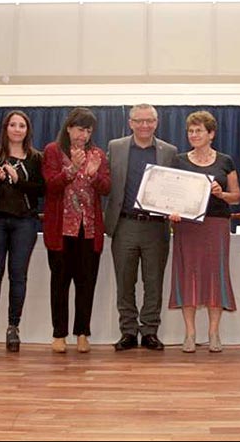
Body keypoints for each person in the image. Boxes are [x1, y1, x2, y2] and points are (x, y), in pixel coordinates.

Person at [104, 104, 177, 351]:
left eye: (149, 121)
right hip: (124, 224)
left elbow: (176, 189)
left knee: (153, 282)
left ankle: (149, 332)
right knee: (124, 282)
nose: (144, 125)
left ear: (156, 123)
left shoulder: (169, 151)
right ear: (130, 123)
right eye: (139, 121)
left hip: (156, 227)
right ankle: (128, 331)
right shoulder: (115, 147)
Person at [168, 111, 240, 353]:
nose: (194, 135)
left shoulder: (225, 161)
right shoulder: (178, 160)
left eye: (199, 130)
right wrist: (173, 210)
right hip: (187, 227)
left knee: (215, 276)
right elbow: (170, 196)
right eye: (191, 131)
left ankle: (213, 332)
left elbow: (237, 197)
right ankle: (189, 334)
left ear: (211, 134)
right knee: (187, 275)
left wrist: (221, 194)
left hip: (216, 224)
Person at [43, 107, 111, 353]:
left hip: (89, 230)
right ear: (69, 128)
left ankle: (83, 332)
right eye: (80, 129)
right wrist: (72, 169)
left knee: (86, 283)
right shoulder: (53, 151)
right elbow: (50, 185)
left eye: (88, 130)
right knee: (59, 283)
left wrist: (93, 175)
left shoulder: (98, 154)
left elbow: (106, 188)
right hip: (61, 229)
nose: (84, 135)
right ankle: (58, 334)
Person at [0, 110, 44, 353]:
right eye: (13, 125)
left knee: (18, 277)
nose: (17, 129)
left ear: (27, 131)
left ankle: (13, 327)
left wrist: (17, 180)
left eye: (22, 125)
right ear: (5, 128)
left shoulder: (37, 158)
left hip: (24, 223)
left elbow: (40, 191)